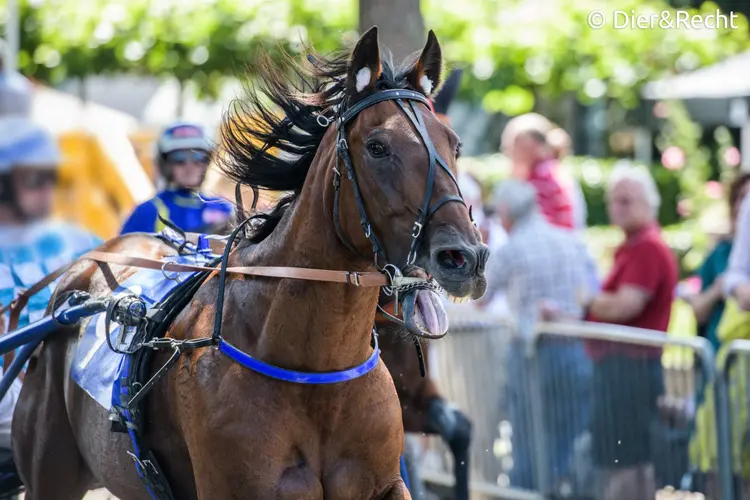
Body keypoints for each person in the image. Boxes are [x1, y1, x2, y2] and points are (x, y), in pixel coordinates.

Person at [0, 117, 102, 489]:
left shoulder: (81, 240)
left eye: (50, 177)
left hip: (64, 377)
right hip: (15, 389)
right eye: (32, 179)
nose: (46, 189)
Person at [481, 179, 593, 495]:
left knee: (528, 438)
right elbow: (589, 291)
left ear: (505, 213)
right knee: (570, 435)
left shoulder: (511, 249)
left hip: (532, 355)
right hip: (574, 350)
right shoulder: (570, 240)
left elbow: (480, 295)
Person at [581, 165, 678, 500]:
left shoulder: (647, 247)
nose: (617, 207)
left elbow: (625, 306)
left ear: (648, 203)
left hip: (630, 372)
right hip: (621, 370)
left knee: (626, 461)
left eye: (626, 200)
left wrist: (590, 299)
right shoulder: (634, 245)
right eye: (614, 200)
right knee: (623, 459)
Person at [121, 122, 233, 235]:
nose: (189, 166)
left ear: (207, 162)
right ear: (165, 164)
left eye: (198, 157)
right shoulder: (148, 211)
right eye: (179, 158)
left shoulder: (223, 209)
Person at [686, 173, 750, 351]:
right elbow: (698, 311)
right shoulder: (720, 253)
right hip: (723, 349)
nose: (742, 205)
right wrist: (719, 289)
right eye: (740, 197)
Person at [500, 113, 575, 230]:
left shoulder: (543, 179)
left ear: (535, 147)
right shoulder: (550, 172)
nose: (512, 153)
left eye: (517, 146)